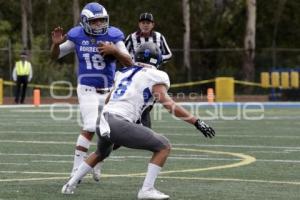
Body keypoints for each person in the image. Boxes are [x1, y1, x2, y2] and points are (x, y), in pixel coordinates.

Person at [61, 42, 215, 199]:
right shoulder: (156, 75)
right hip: (118, 122)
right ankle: (146, 190)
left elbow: (108, 99)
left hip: (103, 120)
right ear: (157, 60)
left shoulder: (123, 72)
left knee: (101, 152)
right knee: (164, 146)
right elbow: (169, 105)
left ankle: (69, 184)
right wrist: (197, 122)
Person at [50, 2, 132, 182]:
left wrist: (115, 51)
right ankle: (75, 171)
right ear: (86, 21)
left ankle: (96, 161)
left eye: (102, 21)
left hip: (109, 90)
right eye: (95, 22)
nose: (100, 25)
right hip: (87, 88)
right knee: (89, 127)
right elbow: (56, 56)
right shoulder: (77, 35)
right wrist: (56, 45)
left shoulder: (114, 36)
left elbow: (129, 62)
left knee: (109, 132)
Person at [125, 12, 173, 129]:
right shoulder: (131, 38)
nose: (145, 25)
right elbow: (123, 54)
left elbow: (168, 54)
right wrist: (134, 63)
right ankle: (138, 126)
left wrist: (155, 61)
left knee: (147, 104)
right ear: (139, 24)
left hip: (151, 76)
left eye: (148, 23)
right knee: (138, 102)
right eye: (143, 23)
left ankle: (137, 126)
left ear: (153, 24)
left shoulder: (159, 37)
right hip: (136, 76)